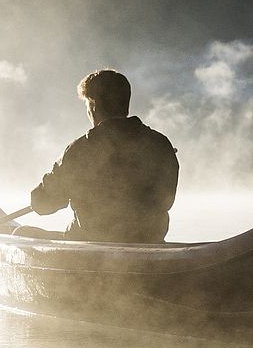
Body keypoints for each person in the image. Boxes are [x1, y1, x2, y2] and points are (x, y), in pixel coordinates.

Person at [16, 69, 179, 243]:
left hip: (89, 245)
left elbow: (43, 204)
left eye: (87, 104)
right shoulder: (160, 144)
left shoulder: (80, 150)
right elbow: (166, 200)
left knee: (20, 233)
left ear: (93, 104)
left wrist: (41, 196)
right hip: (149, 241)